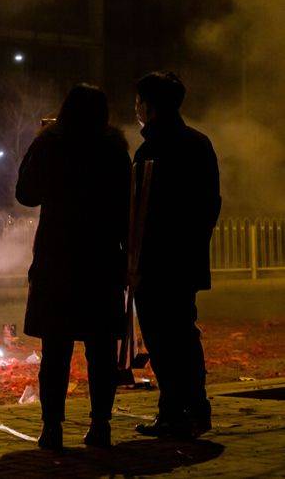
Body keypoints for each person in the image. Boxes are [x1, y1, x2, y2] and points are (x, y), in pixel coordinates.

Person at [16, 84, 131, 450]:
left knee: (56, 349)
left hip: (58, 257)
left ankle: (52, 428)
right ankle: (101, 425)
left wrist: (41, 142)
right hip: (101, 256)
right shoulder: (114, 149)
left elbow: (25, 193)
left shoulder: (51, 143)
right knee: (100, 350)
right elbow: (127, 203)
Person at [132, 72, 221, 438]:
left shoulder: (151, 149)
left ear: (150, 107)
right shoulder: (199, 144)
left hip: (155, 261)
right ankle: (196, 408)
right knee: (184, 332)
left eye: (138, 101)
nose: (135, 107)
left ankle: (173, 411)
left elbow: (139, 209)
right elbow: (210, 204)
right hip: (185, 259)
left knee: (161, 337)